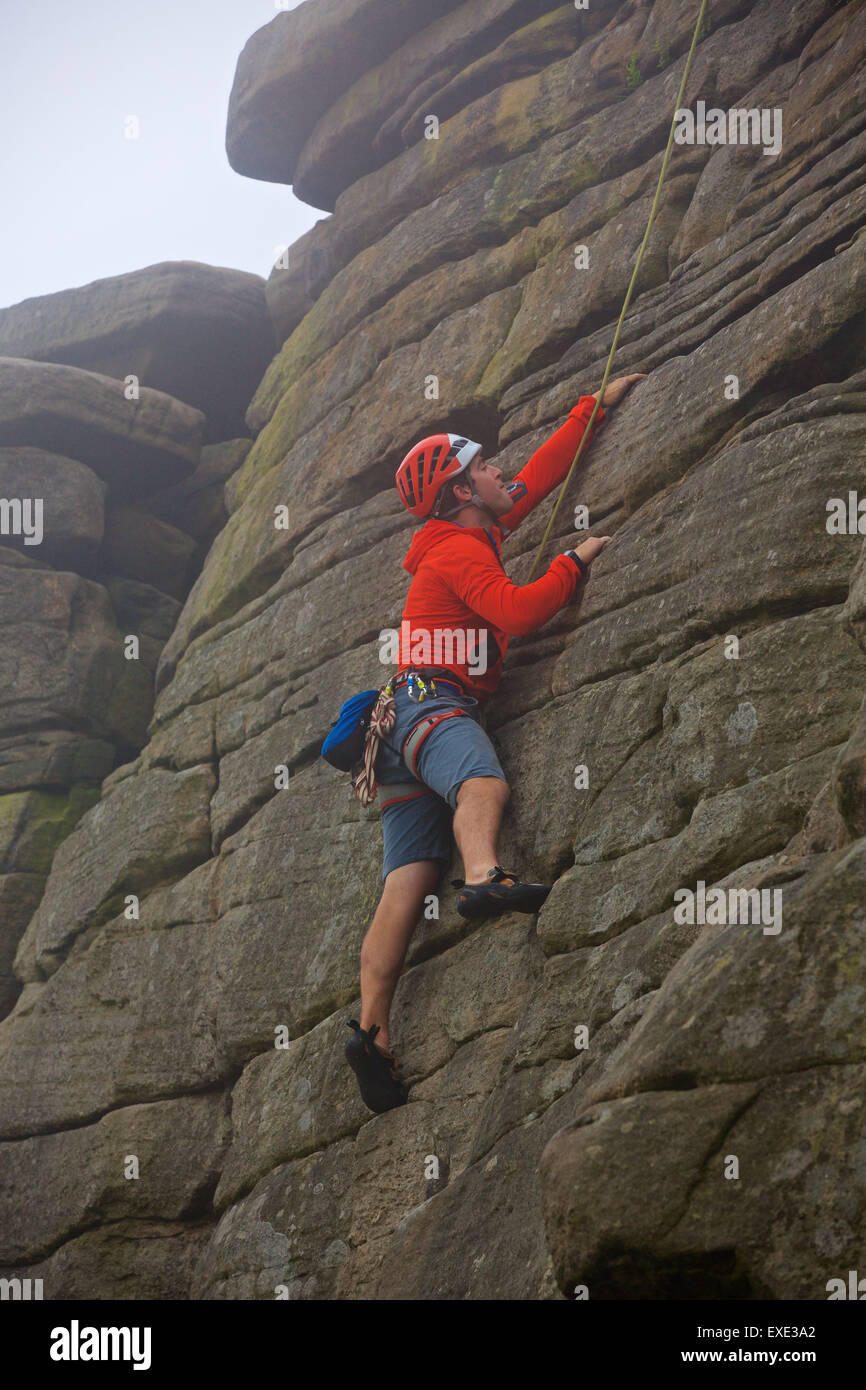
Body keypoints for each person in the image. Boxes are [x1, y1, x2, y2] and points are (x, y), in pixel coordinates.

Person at [345, 374, 645, 1112]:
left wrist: (591, 407)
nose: (498, 471)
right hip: (429, 708)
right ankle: (484, 877)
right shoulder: (458, 552)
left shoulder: (468, 530)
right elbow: (515, 613)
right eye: (482, 467)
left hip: (398, 729)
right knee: (484, 786)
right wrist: (574, 563)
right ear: (458, 492)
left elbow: (538, 476)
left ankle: (371, 1035)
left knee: (406, 885)